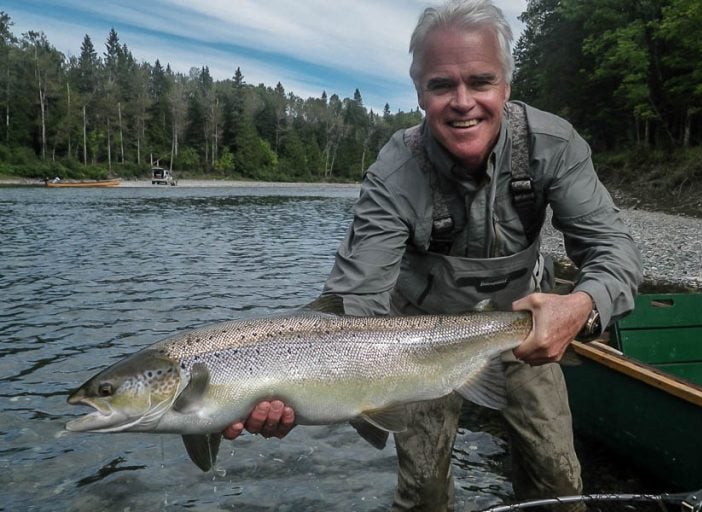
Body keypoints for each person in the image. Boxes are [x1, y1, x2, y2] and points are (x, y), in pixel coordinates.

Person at [224, 0, 642, 510]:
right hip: (412, 343)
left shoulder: (553, 146)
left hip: (524, 326)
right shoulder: (394, 172)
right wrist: (299, 388)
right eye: (442, 85)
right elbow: (353, 302)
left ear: (506, 86)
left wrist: (581, 307)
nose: (462, 101)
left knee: (557, 482)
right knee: (423, 494)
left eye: (481, 81)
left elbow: (613, 250)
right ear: (420, 92)